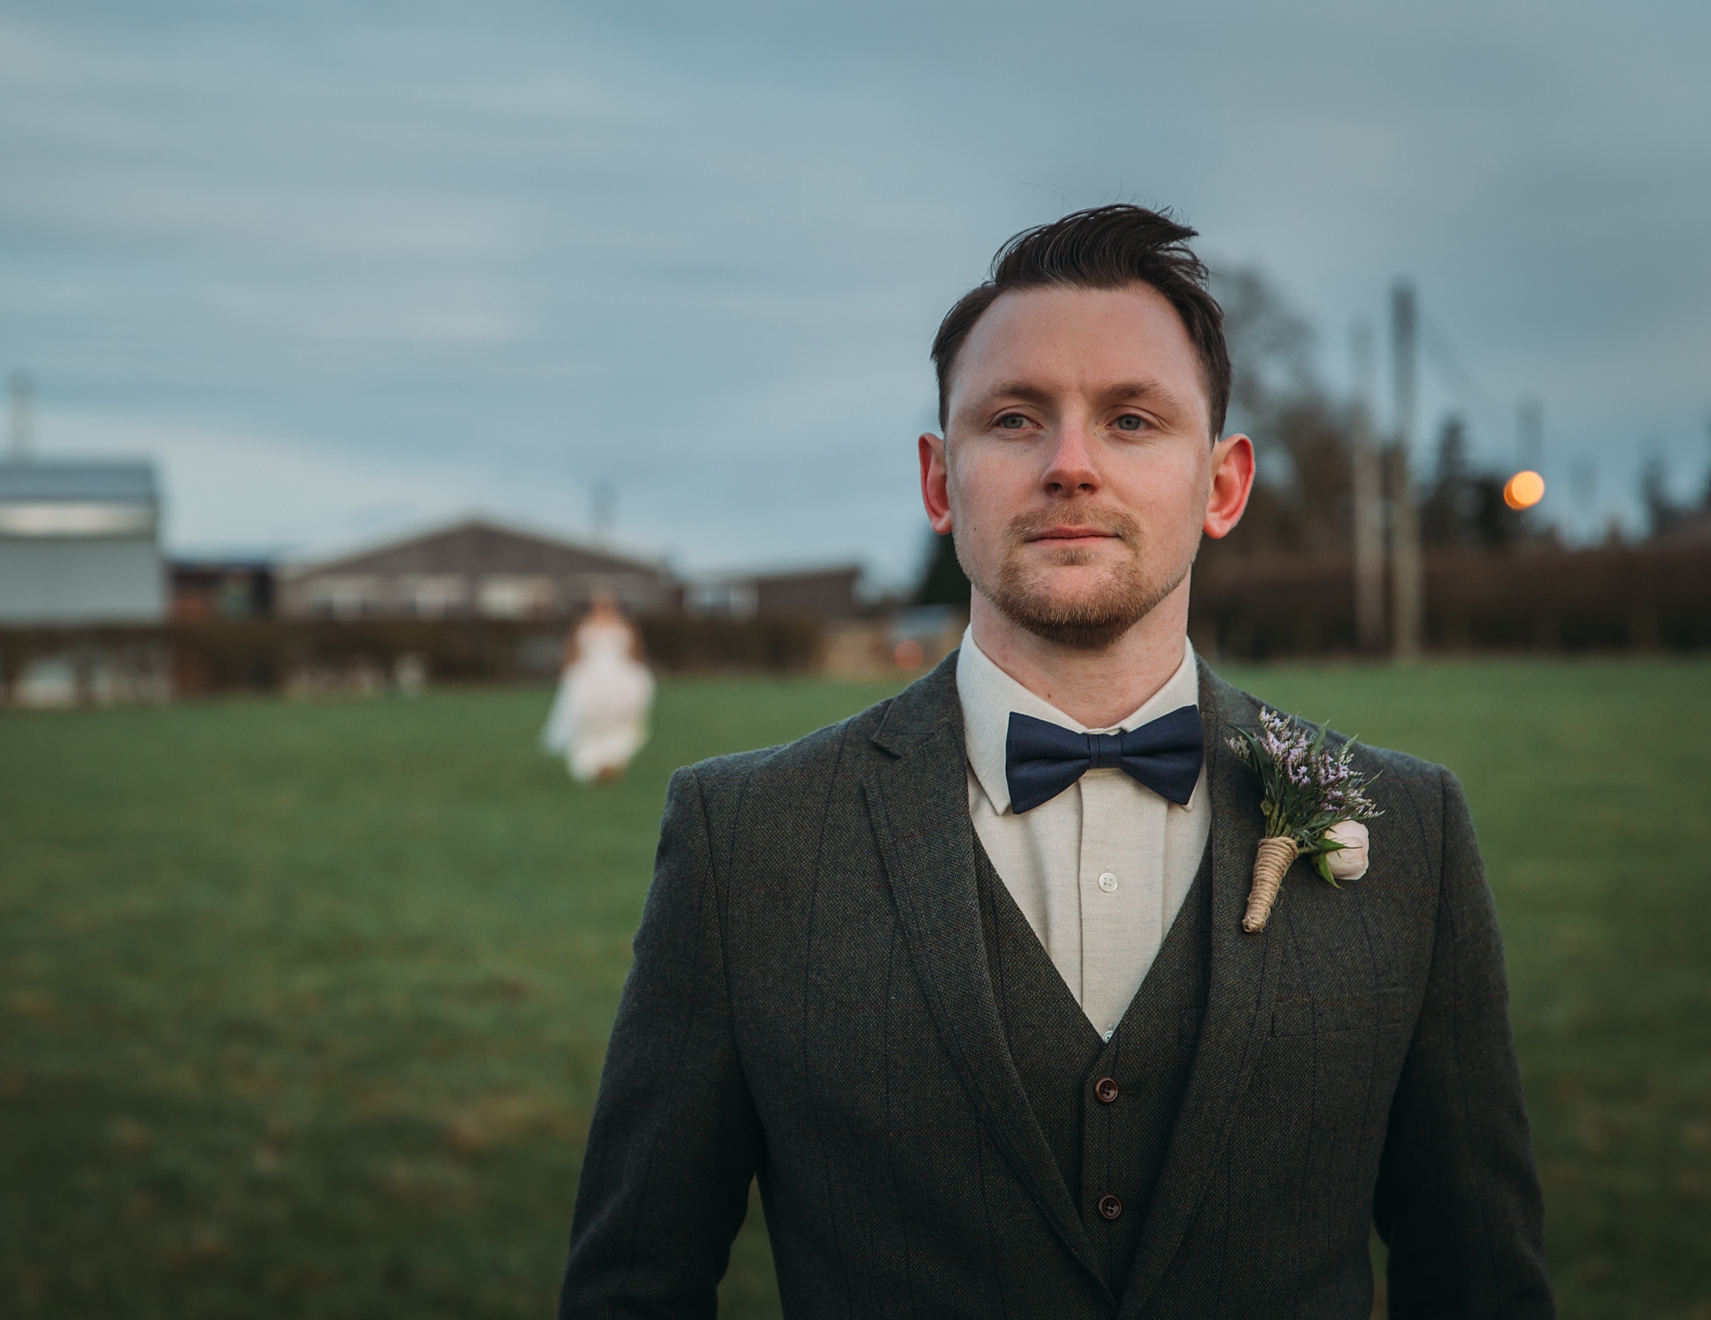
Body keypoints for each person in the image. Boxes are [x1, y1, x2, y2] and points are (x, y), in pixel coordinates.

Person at [560, 206, 1552, 1317]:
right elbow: (631, 1287)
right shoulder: (742, 838)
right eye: (1015, 418)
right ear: (940, 483)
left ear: (1220, 485)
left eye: (1130, 420)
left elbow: (1479, 1282)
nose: (1069, 465)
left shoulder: (1410, 830)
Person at [542, 593, 654, 784]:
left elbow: (633, 651)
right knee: (589, 718)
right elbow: (574, 652)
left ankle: (612, 758)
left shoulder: (625, 625)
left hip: (619, 678)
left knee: (620, 717)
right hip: (591, 677)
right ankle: (590, 762)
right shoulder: (583, 625)